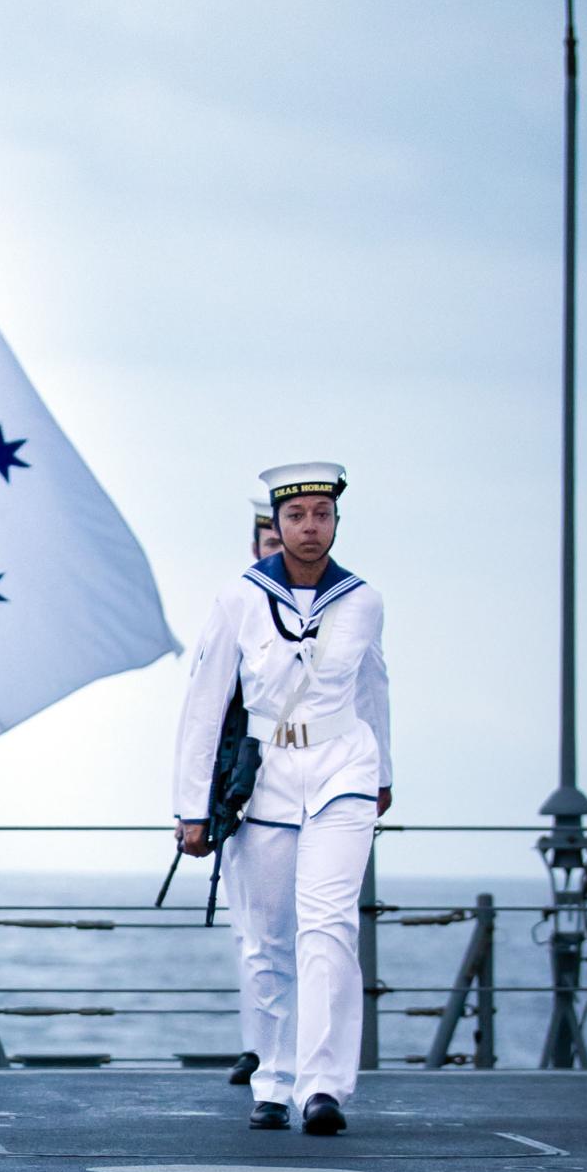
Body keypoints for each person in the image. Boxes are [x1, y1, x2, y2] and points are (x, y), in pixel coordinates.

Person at [173, 460, 391, 1136]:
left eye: (321, 515)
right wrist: (189, 806)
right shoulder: (240, 597)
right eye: (296, 517)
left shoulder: (363, 600)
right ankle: (272, 1077)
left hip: (342, 770)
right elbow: (205, 702)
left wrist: (384, 774)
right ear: (278, 523)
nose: (309, 528)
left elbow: (374, 685)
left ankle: (323, 1086)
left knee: (330, 926)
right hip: (267, 774)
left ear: (336, 522)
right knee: (268, 940)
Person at [221, 491, 283, 1087]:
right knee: (252, 932)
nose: (278, 549)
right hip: (242, 786)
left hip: (303, 779)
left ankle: (289, 1051)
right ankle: (259, 1046)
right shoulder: (237, 607)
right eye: (268, 541)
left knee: (304, 929)